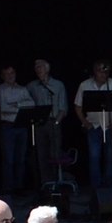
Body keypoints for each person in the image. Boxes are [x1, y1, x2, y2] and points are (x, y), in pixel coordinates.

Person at [74, 60, 112, 189]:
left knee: (111, 157)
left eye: (106, 70)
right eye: (100, 70)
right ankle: (96, 188)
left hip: (110, 126)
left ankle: (109, 185)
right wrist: (85, 122)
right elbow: (78, 106)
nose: (103, 73)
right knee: (94, 157)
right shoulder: (84, 85)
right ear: (95, 71)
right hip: (94, 126)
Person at [0, 65, 36, 196]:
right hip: (7, 125)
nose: (10, 76)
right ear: (2, 76)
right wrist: (20, 106)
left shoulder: (22, 89)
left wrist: (17, 105)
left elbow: (32, 104)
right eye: (7, 74)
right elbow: (3, 107)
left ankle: (19, 186)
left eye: (12, 73)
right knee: (8, 159)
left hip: (21, 125)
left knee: (21, 158)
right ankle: (8, 188)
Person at [27, 59, 68, 187]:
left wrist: (56, 122)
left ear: (47, 68)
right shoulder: (31, 86)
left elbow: (63, 107)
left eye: (40, 67)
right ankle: (46, 184)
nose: (38, 69)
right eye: (36, 67)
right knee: (41, 154)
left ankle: (57, 182)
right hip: (39, 124)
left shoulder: (58, 85)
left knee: (55, 153)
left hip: (54, 121)